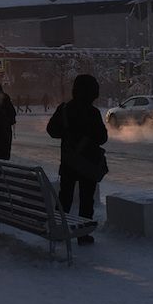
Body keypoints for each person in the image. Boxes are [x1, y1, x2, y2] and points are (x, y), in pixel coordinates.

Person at [46, 74, 108, 245]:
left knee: (64, 196)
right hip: (87, 163)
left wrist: (67, 133)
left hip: (68, 162)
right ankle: (83, 233)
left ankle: (59, 229)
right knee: (87, 199)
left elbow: (52, 131)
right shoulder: (93, 112)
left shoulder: (64, 109)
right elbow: (102, 138)